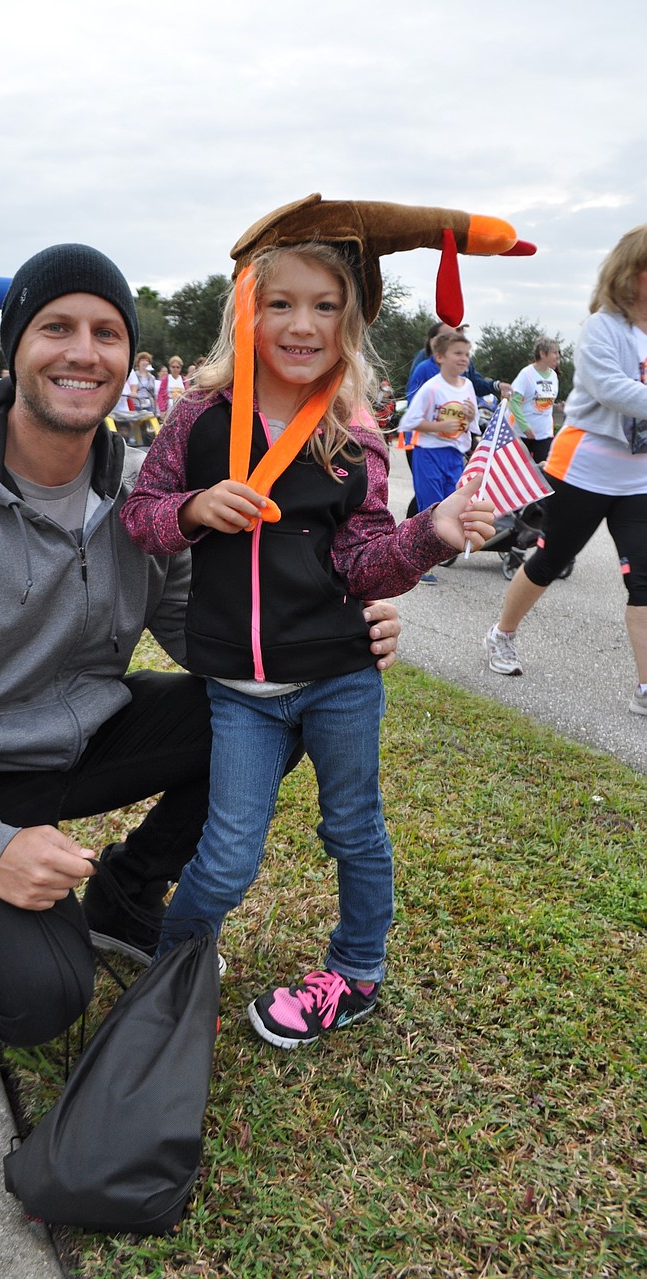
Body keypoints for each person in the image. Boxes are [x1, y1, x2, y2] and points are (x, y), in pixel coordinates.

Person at [0, 242, 401, 1047]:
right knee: (41, 997)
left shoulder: (137, 496)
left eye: (106, 332)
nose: (83, 352)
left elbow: (205, 624)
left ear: (128, 356)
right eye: (57, 327)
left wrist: (328, 635)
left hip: (78, 740)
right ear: (13, 345)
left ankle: (125, 891)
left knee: (265, 713)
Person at [121, 239, 494, 1049]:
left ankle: (357, 970)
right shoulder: (199, 415)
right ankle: (176, 971)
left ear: (349, 323)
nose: (302, 324)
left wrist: (430, 531)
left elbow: (365, 561)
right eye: (280, 303)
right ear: (247, 312)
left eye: (325, 306)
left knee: (354, 827)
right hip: (242, 694)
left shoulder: (355, 433)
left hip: (339, 679)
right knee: (224, 858)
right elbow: (138, 514)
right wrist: (190, 510)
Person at [484, 225, 647, 717]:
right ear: (634, 273)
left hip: (639, 477)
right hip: (584, 468)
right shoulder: (603, 327)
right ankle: (500, 636)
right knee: (551, 559)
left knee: (643, 580)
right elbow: (611, 388)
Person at [401, 329, 480, 581]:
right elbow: (409, 421)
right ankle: (420, 563)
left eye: (467, 354)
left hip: (455, 455)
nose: (463, 358)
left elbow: (472, 423)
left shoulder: (467, 386)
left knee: (452, 504)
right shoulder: (431, 388)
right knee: (431, 507)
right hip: (429, 454)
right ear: (440, 357)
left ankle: (427, 551)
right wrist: (438, 427)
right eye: (457, 353)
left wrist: (469, 417)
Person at [508, 338, 560, 464]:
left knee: (543, 474)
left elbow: (547, 401)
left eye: (558, 353)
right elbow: (513, 402)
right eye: (554, 352)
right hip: (523, 434)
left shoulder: (553, 376)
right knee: (519, 472)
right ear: (542, 353)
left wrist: (559, 407)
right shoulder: (526, 374)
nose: (558, 357)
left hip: (544, 434)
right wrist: (525, 427)